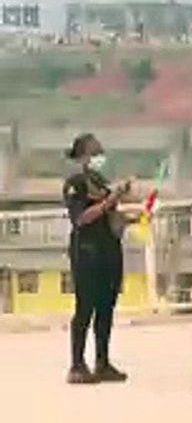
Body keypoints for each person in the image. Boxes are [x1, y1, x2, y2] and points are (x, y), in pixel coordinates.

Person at [62, 133, 131, 384]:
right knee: (85, 308)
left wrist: (129, 216)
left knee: (106, 308)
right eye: (94, 152)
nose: (99, 156)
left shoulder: (101, 182)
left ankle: (102, 362)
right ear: (82, 155)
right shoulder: (75, 184)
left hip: (108, 250)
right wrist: (108, 202)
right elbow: (80, 218)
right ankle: (77, 365)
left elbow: (111, 216)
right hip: (87, 252)